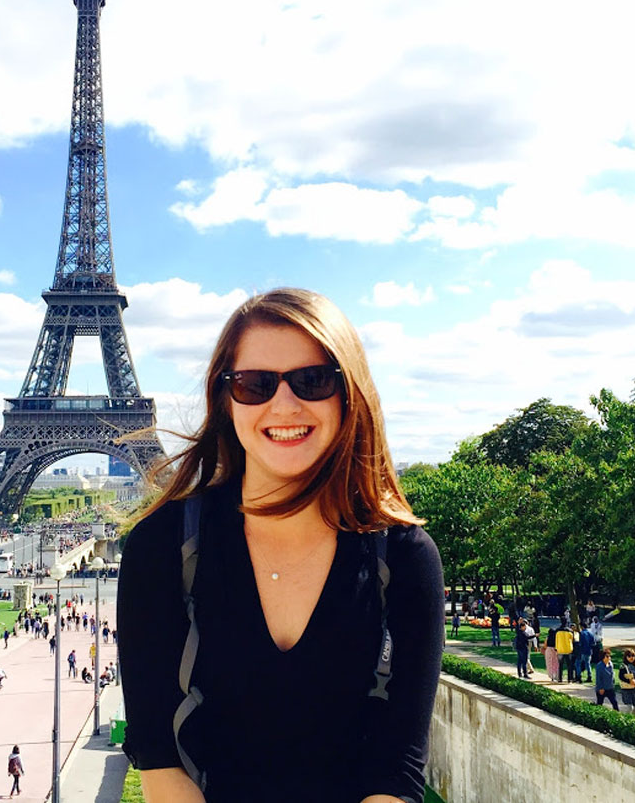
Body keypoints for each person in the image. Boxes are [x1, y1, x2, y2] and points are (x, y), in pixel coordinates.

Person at [118, 288, 445, 803]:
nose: (284, 404)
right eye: (255, 384)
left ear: (348, 393)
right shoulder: (160, 547)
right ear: (226, 400)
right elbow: (158, 757)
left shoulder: (406, 558)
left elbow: (398, 768)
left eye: (312, 380)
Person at [618, 649, 635, 715]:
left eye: (633, 655)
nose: (631, 657)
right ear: (626, 657)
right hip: (627, 689)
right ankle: (625, 719)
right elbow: (621, 677)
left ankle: (634, 722)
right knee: (630, 708)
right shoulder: (623, 666)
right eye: (629, 656)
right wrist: (630, 681)